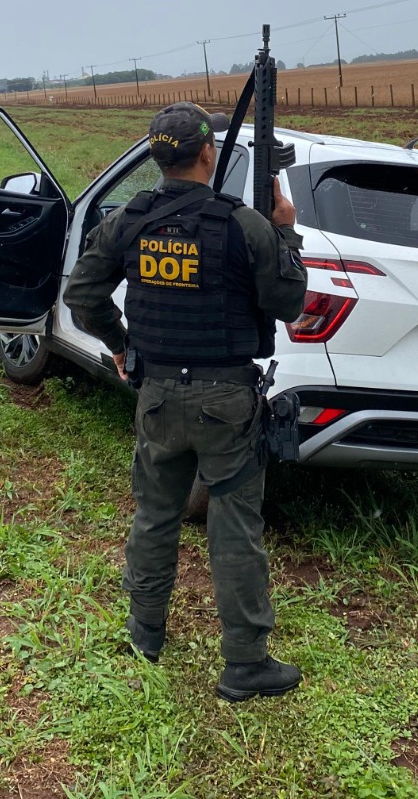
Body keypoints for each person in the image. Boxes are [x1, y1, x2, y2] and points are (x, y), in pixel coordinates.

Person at [63, 102, 309, 701]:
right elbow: (288, 302)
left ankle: (145, 633)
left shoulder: (128, 220)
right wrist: (284, 229)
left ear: (155, 156)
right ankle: (245, 664)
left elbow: (81, 295)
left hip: (156, 394)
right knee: (234, 525)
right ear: (207, 155)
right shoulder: (242, 225)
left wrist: (123, 346)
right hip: (226, 398)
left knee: (155, 515)